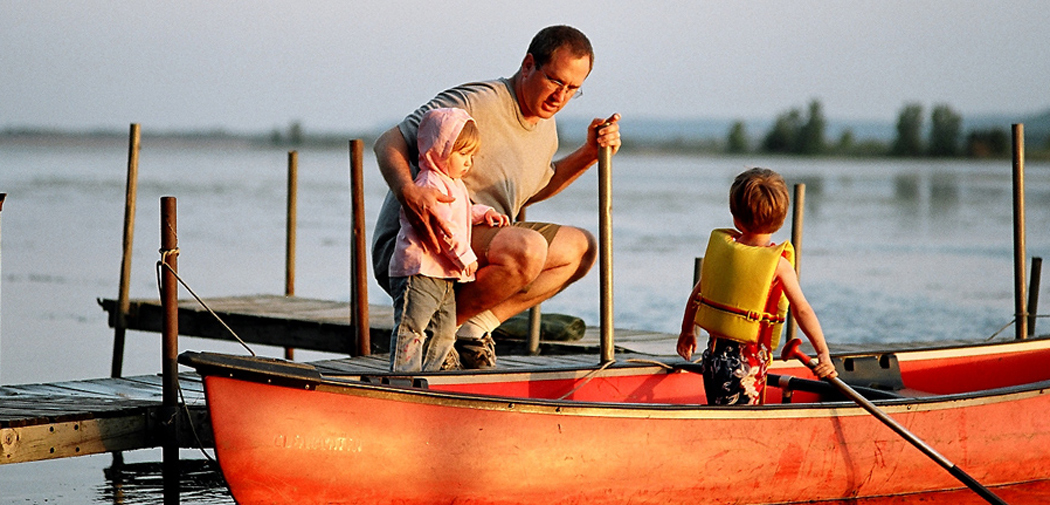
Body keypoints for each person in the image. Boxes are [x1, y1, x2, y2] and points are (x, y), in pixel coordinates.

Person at [372, 25, 621, 369]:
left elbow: (536, 187)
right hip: (418, 245)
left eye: (573, 89)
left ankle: (470, 327)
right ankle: (433, 331)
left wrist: (590, 152)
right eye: (555, 81)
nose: (560, 97)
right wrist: (408, 191)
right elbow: (388, 141)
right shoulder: (476, 102)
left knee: (581, 249)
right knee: (528, 248)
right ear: (528, 63)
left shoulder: (546, 126)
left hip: (474, 244)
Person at [676, 167, 837, 405]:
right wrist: (823, 351)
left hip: (713, 356)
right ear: (781, 220)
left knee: (720, 410)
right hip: (746, 363)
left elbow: (697, 294)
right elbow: (802, 309)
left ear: (735, 217)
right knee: (741, 415)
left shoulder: (726, 253)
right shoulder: (778, 264)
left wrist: (687, 331)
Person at [388, 108, 510, 372]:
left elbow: (460, 213)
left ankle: (434, 376)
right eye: (463, 154)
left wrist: (483, 214)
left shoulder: (453, 183)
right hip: (419, 270)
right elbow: (443, 228)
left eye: (472, 155)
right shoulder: (429, 183)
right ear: (438, 149)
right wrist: (466, 257)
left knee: (444, 331)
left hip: (443, 274)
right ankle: (403, 377)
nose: (469, 162)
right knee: (413, 327)